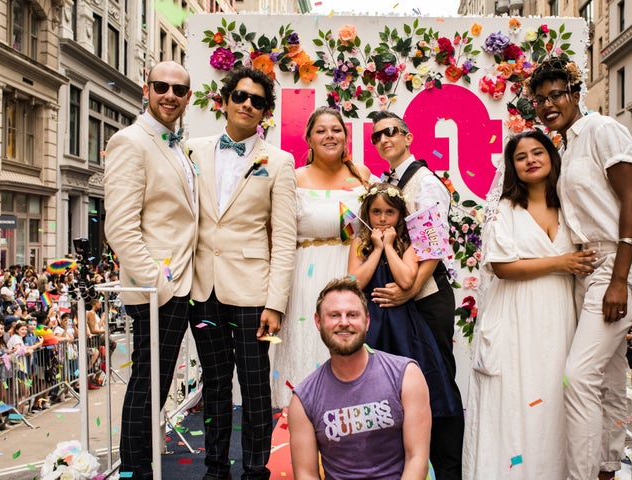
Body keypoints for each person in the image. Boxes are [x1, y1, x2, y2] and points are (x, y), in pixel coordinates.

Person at [527, 57, 632, 480]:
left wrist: (619, 279)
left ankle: (581, 475)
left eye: (556, 95)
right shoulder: (564, 148)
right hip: (590, 266)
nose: (549, 105)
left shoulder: (603, 130)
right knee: (605, 378)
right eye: (540, 100)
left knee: (577, 377)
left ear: (574, 93)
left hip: (621, 264)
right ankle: (606, 468)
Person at [462, 131, 594, 477]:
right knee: (513, 403)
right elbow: (501, 267)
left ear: (552, 157)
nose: (530, 160)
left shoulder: (571, 205)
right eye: (521, 157)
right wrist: (560, 263)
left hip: (559, 316)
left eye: (538, 152)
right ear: (512, 166)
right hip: (515, 314)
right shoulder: (504, 208)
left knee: (553, 402)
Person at [187, 66, 297, 480]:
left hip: (257, 297)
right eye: (240, 96)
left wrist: (277, 303)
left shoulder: (280, 161)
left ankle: (255, 469)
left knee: (255, 388)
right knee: (214, 384)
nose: (247, 104)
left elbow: (284, 238)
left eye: (257, 101)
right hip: (202, 290)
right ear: (225, 101)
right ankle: (215, 468)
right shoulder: (193, 149)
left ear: (265, 111)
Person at [104, 60, 198, 480]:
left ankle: (138, 469)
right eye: (161, 86)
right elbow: (120, 228)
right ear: (146, 88)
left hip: (180, 286)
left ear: (188, 97)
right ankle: (137, 473)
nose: (170, 95)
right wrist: (158, 288)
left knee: (153, 386)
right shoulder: (130, 141)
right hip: (157, 293)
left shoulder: (177, 144)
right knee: (147, 387)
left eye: (179, 90)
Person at [368, 111, 463, 479]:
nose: (384, 139)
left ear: (408, 137)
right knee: (399, 388)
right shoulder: (384, 181)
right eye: (377, 136)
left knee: (436, 386)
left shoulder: (425, 183)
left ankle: (449, 471)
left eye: (391, 132)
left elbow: (433, 245)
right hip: (397, 298)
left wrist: (409, 292)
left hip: (425, 298)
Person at [270, 106, 373, 408]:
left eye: (336, 129)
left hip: (349, 271)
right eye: (321, 130)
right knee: (307, 345)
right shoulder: (294, 177)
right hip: (304, 275)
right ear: (309, 139)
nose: (330, 135)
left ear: (345, 136)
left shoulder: (362, 175)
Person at [288, 277, 431, 480]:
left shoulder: (406, 375)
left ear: (367, 321)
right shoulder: (303, 399)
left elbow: (417, 458)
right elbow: (306, 474)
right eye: (334, 315)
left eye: (352, 315)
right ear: (318, 322)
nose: (344, 322)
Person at [348, 182, 460, 419]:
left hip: (403, 323)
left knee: (406, 377)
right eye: (376, 212)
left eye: (390, 212)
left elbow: (407, 280)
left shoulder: (409, 243)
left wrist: (389, 246)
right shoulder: (359, 243)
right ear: (367, 213)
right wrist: (376, 250)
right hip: (371, 323)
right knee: (372, 380)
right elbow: (355, 282)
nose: (382, 218)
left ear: (400, 215)